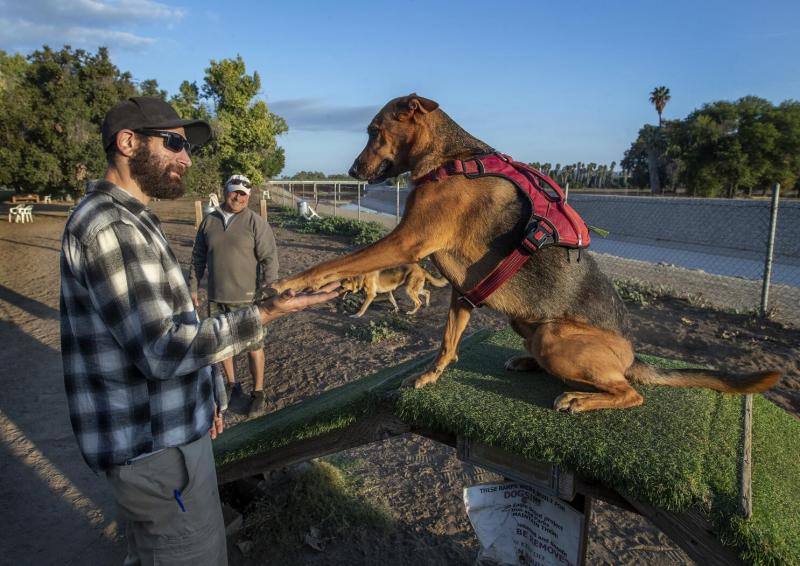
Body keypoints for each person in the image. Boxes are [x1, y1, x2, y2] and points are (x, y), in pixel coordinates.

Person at [59, 96, 338, 566]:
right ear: (127, 143)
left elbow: (167, 334)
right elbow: (163, 350)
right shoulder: (109, 226)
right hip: (159, 457)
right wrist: (268, 312)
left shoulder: (134, 220)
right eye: (174, 144)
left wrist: (206, 397)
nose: (187, 159)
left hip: (169, 441)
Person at [189, 174, 278, 418]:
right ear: (225, 191)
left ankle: (258, 392)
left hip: (247, 298)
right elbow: (198, 257)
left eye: (243, 194)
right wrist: (193, 287)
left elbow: (269, 259)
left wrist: (267, 291)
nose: (238, 197)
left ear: (249, 197)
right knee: (224, 345)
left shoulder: (255, 222)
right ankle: (232, 385)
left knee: (254, 345)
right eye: (234, 191)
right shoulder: (209, 221)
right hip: (216, 297)